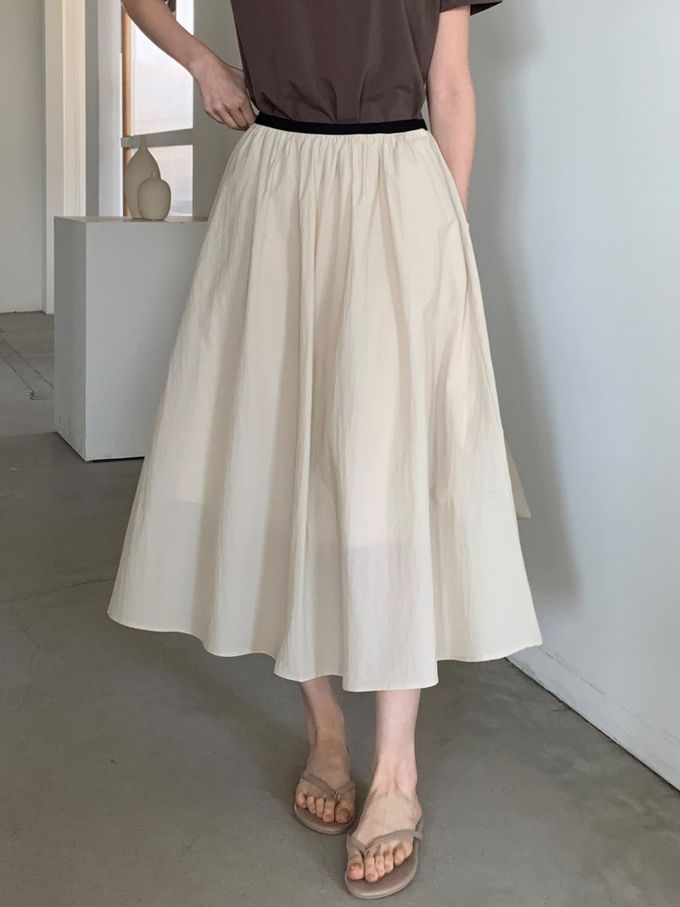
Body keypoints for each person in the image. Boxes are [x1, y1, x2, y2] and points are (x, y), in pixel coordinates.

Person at [109, 0, 542, 898]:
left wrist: (447, 237)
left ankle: (396, 770)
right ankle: (326, 729)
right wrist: (203, 63)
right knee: (278, 455)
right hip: (276, 187)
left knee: (386, 477)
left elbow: (450, 84)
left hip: (398, 189)